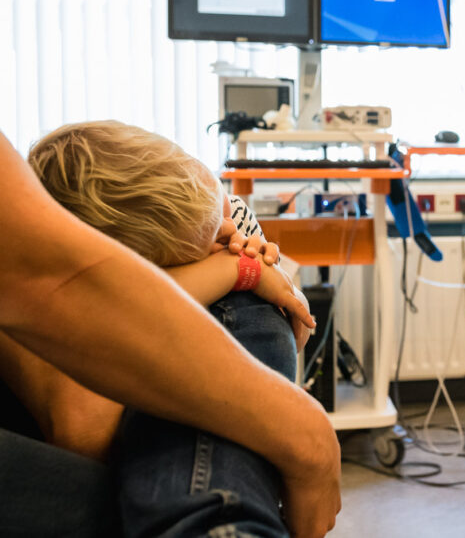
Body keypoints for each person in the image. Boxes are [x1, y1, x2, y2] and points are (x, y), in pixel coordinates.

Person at [0, 122, 341, 537]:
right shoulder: (38, 289)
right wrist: (236, 270)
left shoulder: (211, 212)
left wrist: (241, 267)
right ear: (128, 264)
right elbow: (83, 428)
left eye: (226, 218)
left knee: (244, 299)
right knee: (237, 298)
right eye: (214, 242)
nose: (232, 236)